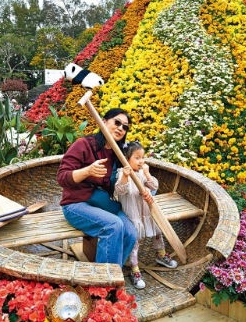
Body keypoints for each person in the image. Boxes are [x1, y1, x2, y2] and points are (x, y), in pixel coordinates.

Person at [57, 108, 137, 268]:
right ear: (104, 121)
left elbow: (130, 178)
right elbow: (62, 177)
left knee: (130, 233)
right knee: (114, 225)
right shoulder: (83, 145)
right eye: (117, 122)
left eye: (125, 126)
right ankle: (105, 280)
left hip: (103, 203)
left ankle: (111, 272)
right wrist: (87, 171)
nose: (121, 128)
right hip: (75, 204)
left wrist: (146, 186)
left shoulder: (119, 153)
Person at [114, 141, 178, 289]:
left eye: (142, 157)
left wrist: (147, 174)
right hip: (133, 214)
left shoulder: (142, 172)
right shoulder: (122, 173)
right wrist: (125, 176)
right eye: (137, 158)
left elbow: (154, 186)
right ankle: (135, 269)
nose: (141, 161)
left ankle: (160, 255)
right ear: (126, 159)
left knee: (157, 231)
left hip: (146, 211)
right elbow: (120, 190)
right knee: (135, 241)